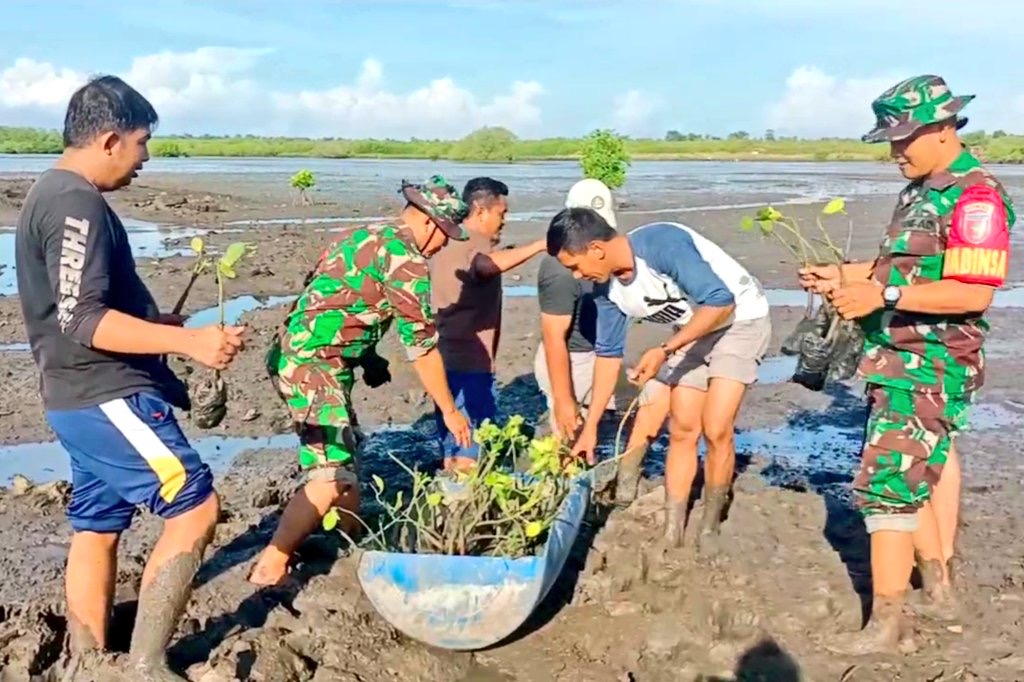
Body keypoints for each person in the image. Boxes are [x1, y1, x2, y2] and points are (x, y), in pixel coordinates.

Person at [15, 75, 245, 680]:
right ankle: (144, 665)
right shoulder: (76, 201)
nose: (146, 158)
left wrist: (151, 321)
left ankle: (87, 658)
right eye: (144, 143)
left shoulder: (50, 192)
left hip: (75, 397)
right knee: (195, 507)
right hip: (104, 394)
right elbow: (83, 318)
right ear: (112, 138)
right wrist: (188, 341)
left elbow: (76, 304)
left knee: (97, 524)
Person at [800, 75, 1015, 654]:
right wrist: (845, 274)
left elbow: (973, 293)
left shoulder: (975, 196)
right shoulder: (921, 189)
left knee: (887, 487)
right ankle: (938, 587)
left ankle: (888, 625)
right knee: (929, 469)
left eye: (903, 139)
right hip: (898, 357)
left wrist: (883, 299)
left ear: (944, 129)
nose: (895, 152)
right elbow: (906, 265)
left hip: (931, 363)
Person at [249, 175, 473, 587]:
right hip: (313, 366)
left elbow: (335, 297)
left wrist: (368, 357)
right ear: (428, 222)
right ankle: (271, 563)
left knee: (347, 453)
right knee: (330, 473)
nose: (443, 246)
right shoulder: (406, 261)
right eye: (444, 236)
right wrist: (450, 410)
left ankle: (347, 536)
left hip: (302, 355)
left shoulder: (365, 234)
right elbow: (422, 348)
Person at [546, 207, 771, 554]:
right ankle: (672, 528)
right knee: (682, 427)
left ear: (596, 249)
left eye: (575, 266)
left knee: (715, 426)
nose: (577, 276)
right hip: (692, 332)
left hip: (741, 321)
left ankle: (709, 525)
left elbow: (721, 303)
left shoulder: (661, 244)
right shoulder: (606, 290)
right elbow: (608, 357)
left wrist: (665, 350)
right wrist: (590, 427)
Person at [535, 178, 670, 503]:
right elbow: (555, 339)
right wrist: (565, 400)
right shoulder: (559, 270)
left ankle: (627, 475)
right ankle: (556, 488)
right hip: (570, 359)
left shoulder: (608, 256)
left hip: (598, 355)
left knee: (660, 394)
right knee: (570, 431)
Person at [429, 177, 547, 470]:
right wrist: (541, 245)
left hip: (446, 355)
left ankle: (451, 493)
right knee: (467, 445)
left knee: (454, 438)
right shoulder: (469, 244)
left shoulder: (449, 237)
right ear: (481, 211)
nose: (504, 220)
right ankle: (463, 502)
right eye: (501, 213)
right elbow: (486, 266)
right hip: (467, 360)